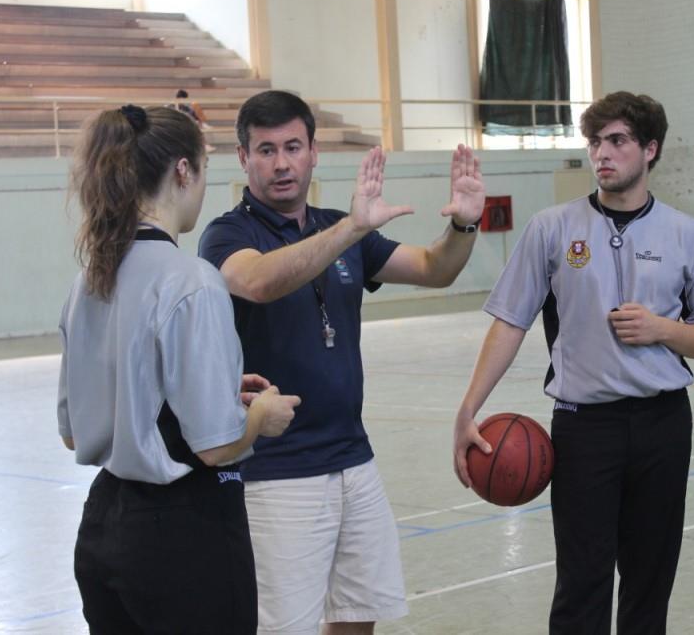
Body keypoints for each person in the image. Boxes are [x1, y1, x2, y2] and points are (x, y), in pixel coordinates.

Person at [197, 90, 485, 634]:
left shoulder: (340, 225)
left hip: (354, 459)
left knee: (357, 619)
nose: (281, 163)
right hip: (275, 474)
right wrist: (350, 229)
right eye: (264, 150)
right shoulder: (228, 235)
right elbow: (258, 281)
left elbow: (433, 268)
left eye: (292, 147)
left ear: (312, 153)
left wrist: (465, 225)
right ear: (242, 158)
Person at [452, 91, 694, 634]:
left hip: (663, 424)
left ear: (650, 150)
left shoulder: (686, 234)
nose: (602, 153)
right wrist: (469, 408)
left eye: (618, 141)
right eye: (595, 141)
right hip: (584, 428)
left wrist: (661, 330)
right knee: (582, 583)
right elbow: (510, 322)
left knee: (650, 582)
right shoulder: (552, 228)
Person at [57, 104, 300, 634]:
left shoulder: (88, 280)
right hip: (183, 538)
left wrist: (208, 388)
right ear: (183, 171)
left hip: (103, 531)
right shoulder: (191, 279)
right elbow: (216, 447)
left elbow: (78, 433)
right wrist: (260, 415)